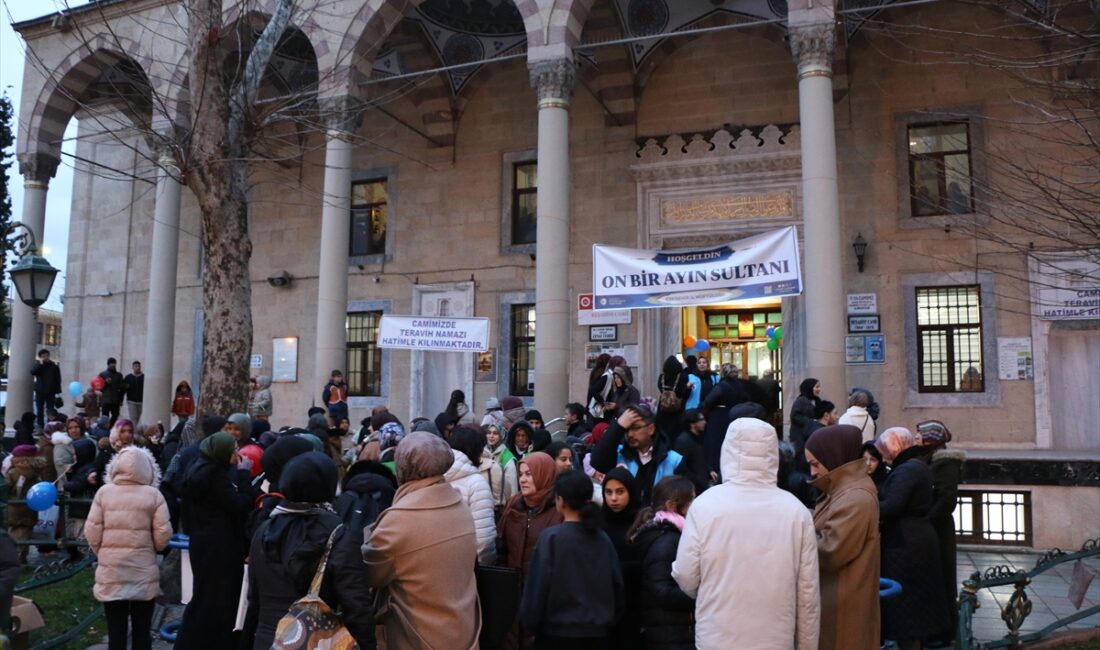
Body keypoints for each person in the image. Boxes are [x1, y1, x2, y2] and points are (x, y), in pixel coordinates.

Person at [672, 418, 820, 650]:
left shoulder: (704, 506)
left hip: (718, 635)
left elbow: (686, 576)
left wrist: (711, 592)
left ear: (727, 451)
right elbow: (807, 594)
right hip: (775, 638)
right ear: (772, 454)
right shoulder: (796, 512)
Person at [363, 432, 481, 649]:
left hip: (417, 637)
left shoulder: (400, 519)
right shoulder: (459, 504)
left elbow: (369, 574)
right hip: (462, 632)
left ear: (404, 467)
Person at [244, 452, 374, 649]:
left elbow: (254, 599)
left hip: (269, 639)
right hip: (317, 640)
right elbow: (356, 604)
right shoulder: (338, 533)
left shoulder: (264, 529)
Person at [520, 470, 624, 650]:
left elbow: (537, 587)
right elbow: (617, 585)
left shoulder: (551, 538)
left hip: (556, 634)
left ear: (560, 500)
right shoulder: (602, 538)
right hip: (598, 633)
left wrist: (529, 623)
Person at [85, 446, 172, 650]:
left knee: (116, 630)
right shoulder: (153, 495)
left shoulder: (104, 493)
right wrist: (154, 549)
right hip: (142, 567)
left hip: (112, 568)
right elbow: (163, 533)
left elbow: (91, 530)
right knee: (142, 630)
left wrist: (104, 552)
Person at [174, 432, 255, 649]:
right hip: (220, 545)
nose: (237, 453)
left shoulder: (198, 469)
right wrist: (244, 474)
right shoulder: (215, 475)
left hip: (202, 541)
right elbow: (240, 503)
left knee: (205, 595)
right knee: (215, 598)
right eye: (233, 449)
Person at [804, 424, 881, 650]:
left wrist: (795, 532)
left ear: (833, 456)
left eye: (815, 464)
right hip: (838, 599)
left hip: (844, 605)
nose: (812, 472)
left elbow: (831, 552)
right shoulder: (843, 490)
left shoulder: (855, 497)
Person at [876, 427, 950, 649]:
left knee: (908, 610)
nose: (882, 455)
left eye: (884, 449)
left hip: (907, 546)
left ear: (896, 447)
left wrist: (862, 506)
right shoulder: (912, 465)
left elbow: (892, 506)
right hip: (913, 541)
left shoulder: (907, 470)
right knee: (913, 611)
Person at [628, 476, 696, 650]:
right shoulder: (666, 540)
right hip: (670, 634)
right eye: (692, 500)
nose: (696, 506)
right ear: (672, 505)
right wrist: (702, 595)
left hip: (672, 631)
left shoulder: (670, 535)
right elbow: (663, 591)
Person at [916, 420, 966, 647]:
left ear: (931, 439)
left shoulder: (945, 462)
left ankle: (944, 632)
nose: (916, 438)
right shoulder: (930, 458)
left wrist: (926, 519)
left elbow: (947, 500)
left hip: (939, 529)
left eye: (920, 435)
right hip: (933, 527)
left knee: (942, 579)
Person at [590, 405, 684, 507]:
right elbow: (597, 461)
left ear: (651, 429)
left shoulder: (673, 460)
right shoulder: (620, 454)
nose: (630, 434)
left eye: (635, 428)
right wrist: (618, 426)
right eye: (626, 429)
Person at [601, 467, 643, 647]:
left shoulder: (642, 522)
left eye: (620, 492)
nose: (613, 498)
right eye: (608, 492)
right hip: (604, 608)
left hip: (635, 608)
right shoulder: (598, 523)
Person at [446, 426, 497, 564]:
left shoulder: (435, 474)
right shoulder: (477, 484)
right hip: (465, 567)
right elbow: (484, 539)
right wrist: (482, 566)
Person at [3, 445, 46, 559]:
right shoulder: (37, 471)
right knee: (25, 533)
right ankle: (22, 557)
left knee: (14, 534)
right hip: (30, 508)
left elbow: (5, 489)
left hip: (14, 508)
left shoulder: (14, 472)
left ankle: (15, 559)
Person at [673, 409, 710, 495]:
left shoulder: (698, 438)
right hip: (692, 490)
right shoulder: (683, 441)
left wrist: (709, 470)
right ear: (692, 424)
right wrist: (698, 480)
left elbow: (698, 460)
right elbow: (680, 469)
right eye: (701, 420)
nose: (705, 422)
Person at [482, 423, 513, 509]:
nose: (491, 436)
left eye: (495, 433)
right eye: (489, 433)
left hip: (502, 507)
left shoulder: (507, 456)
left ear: (501, 436)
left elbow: (512, 488)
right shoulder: (482, 453)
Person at [31, 348, 62, 429]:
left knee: (50, 410)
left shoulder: (54, 366)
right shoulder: (38, 365)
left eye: (47, 355)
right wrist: (40, 364)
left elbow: (58, 380)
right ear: (40, 357)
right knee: (39, 410)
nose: (46, 357)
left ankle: (50, 426)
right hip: (40, 391)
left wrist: (58, 393)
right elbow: (32, 372)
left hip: (51, 392)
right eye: (43, 356)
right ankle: (40, 426)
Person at [655, 355, 684, 440]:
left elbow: (660, 387)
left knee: (662, 432)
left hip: (663, 408)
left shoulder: (661, 377)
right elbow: (683, 392)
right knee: (675, 433)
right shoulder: (682, 377)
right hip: (676, 410)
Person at [788, 377, 820, 450]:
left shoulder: (818, 401)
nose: (819, 389)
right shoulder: (800, 401)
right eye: (817, 387)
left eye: (819, 387)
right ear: (810, 388)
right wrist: (811, 421)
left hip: (812, 435)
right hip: (800, 437)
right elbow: (795, 416)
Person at [586, 353, 613, 420]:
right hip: (598, 406)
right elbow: (595, 390)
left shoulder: (595, 371)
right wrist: (603, 402)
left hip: (591, 404)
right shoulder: (604, 373)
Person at [99, 358, 125, 426]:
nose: (113, 365)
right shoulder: (102, 374)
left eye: (114, 363)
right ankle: (104, 431)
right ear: (108, 364)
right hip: (105, 400)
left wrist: (121, 400)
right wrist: (105, 383)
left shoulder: (119, 375)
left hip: (115, 400)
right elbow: (99, 387)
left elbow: (121, 388)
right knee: (105, 417)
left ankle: (110, 427)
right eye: (111, 363)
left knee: (115, 415)